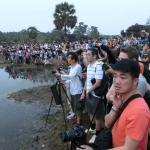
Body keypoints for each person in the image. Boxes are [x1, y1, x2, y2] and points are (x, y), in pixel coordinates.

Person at [77, 59, 150, 150]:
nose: (116, 81)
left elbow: (128, 148)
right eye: (115, 76)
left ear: (135, 81)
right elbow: (107, 124)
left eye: (123, 77)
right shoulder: (122, 99)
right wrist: (115, 107)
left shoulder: (138, 110)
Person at [80, 48, 105, 143]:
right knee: (90, 112)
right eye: (86, 55)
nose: (87, 56)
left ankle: (97, 134)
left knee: (97, 116)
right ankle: (93, 127)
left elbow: (98, 83)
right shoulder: (89, 66)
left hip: (96, 94)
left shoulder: (98, 66)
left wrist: (88, 91)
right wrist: (84, 92)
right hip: (89, 93)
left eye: (89, 54)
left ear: (95, 56)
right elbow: (87, 80)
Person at [54, 52, 83, 125]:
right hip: (73, 88)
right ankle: (77, 118)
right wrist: (65, 83)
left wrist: (60, 75)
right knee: (73, 104)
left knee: (78, 105)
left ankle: (79, 121)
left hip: (77, 89)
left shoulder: (78, 67)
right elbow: (71, 79)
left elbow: (71, 76)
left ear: (73, 60)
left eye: (68, 58)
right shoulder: (72, 67)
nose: (67, 59)